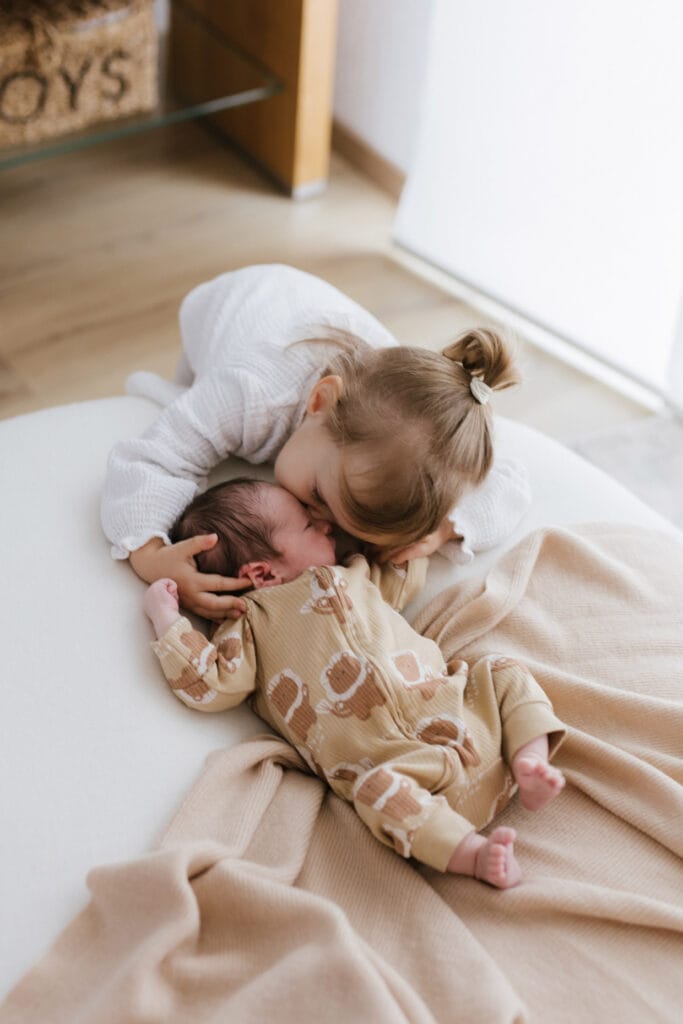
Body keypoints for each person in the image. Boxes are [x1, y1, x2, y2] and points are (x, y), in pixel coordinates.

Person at [144, 478, 566, 888]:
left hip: (465, 721)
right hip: (404, 774)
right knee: (375, 792)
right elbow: (211, 684)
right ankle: (470, 853)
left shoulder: (357, 574)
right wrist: (167, 621)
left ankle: (531, 760)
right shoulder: (249, 625)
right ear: (262, 573)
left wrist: (405, 525)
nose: (325, 525)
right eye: (309, 525)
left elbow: (405, 568)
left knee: (500, 671)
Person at [102, 264, 531, 621]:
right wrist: (152, 555)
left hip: (325, 318)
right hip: (240, 301)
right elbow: (152, 460)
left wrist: (443, 529)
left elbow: (510, 482)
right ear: (319, 401)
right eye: (317, 496)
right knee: (196, 406)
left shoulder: (435, 433)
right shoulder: (253, 392)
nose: (325, 525)